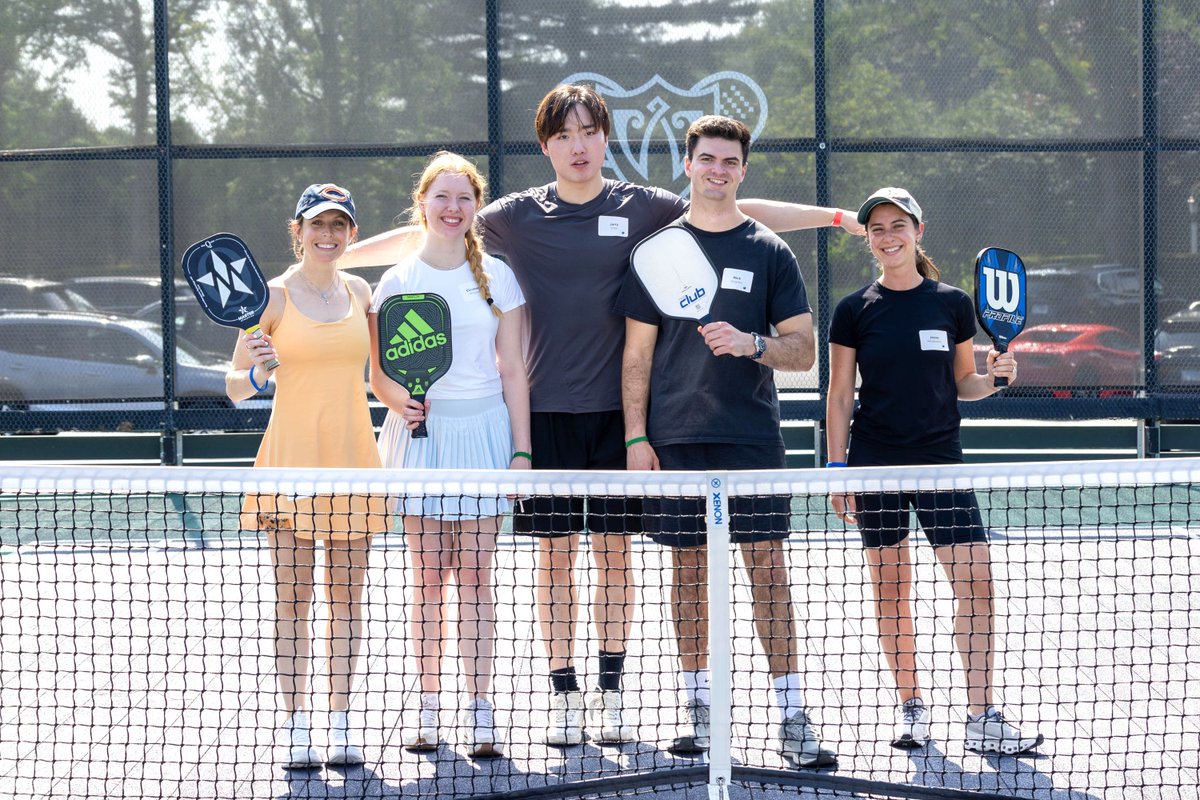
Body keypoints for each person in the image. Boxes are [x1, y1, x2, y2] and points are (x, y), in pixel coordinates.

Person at [343, 83, 862, 747]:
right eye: (564, 134)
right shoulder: (514, 214)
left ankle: (613, 689)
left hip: (621, 420)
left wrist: (839, 219)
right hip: (547, 416)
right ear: (546, 145)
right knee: (554, 564)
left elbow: (734, 208)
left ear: (606, 138)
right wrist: (327, 256)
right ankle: (565, 696)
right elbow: (428, 230)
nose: (578, 144)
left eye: (589, 131)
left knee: (617, 560)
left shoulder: (646, 206)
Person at [617, 115, 838, 770]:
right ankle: (698, 707)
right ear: (688, 165)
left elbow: (802, 349)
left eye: (730, 161)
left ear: (743, 170)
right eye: (707, 159)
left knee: (767, 570)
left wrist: (753, 344)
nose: (718, 170)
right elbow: (636, 354)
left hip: (750, 439)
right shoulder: (657, 252)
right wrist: (635, 436)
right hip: (676, 439)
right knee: (687, 571)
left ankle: (793, 714)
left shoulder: (770, 251)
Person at [825, 187, 1043, 755]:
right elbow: (840, 395)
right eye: (877, 228)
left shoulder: (951, 303)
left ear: (918, 231)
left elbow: (963, 383)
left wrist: (997, 377)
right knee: (892, 591)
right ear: (868, 238)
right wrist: (836, 467)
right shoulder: (853, 309)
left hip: (942, 462)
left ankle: (981, 715)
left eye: (899, 225)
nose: (888, 235)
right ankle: (912, 709)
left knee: (977, 585)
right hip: (876, 466)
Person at [368, 152, 530, 759]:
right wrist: (397, 400)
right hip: (420, 443)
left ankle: (481, 709)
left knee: (477, 581)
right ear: (422, 204)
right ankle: (429, 706)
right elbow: (380, 374)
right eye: (442, 197)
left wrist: (522, 451)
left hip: (485, 437)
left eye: (464, 198)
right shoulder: (397, 280)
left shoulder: (500, 277)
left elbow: (513, 369)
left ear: (476, 207)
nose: (453, 208)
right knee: (428, 581)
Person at [227, 183, 388, 769]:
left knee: (347, 598)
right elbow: (234, 385)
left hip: (353, 462)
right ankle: (298, 726)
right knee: (292, 599)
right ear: (297, 232)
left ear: (350, 233)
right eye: (317, 225)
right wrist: (260, 374)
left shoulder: (361, 289)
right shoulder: (267, 298)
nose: (328, 235)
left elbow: (378, 375)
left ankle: (341, 723)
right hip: (290, 463)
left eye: (338, 225)